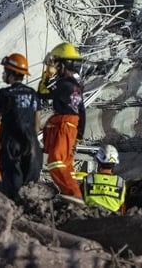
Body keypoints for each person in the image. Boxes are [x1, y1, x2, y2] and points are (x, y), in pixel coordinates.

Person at [38, 42, 85, 199]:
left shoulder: (63, 84)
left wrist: (47, 74)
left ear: (63, 64)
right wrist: (79, 135)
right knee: (66, 165)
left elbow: (42, 92)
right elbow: (82, 112)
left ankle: (74, 195)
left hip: (64, 125)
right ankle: (72, 197)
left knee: (56, 161)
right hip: (71, 127)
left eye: (56, 63)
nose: (55, 67)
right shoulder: (76, 86)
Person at [0, 53, 42, 202]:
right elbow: (37, 122)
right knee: (30, 188)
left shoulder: (4, 94)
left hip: (11, 143)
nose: (3, 74)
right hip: (31, 143)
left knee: (11, 186)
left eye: (5, 71)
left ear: (11, 73)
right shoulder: (33, 94)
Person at [82, 144, 126, 212]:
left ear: (99, 161)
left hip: (91, 216)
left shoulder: (88, 179)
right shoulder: (121, 183)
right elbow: (122, 208)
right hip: (113, 217)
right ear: (115, 163)